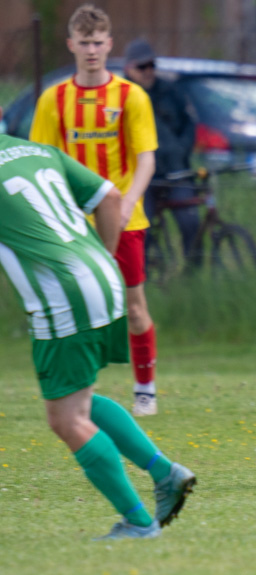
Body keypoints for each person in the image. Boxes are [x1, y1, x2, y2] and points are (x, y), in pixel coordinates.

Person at [0, 108, 195, 539]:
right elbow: (109, 198)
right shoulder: (37, 150)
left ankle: (140, 522)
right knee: (80, 402)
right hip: (104, 275)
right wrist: (104, 256)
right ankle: (165, 474)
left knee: (66, 419)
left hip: (62, 293)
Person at [30, 4, 161, 416]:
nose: (91, 50)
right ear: (71, 45)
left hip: (126, 221)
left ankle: (146, 389)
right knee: (73, 308)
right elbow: (41, 159)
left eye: (98, 42)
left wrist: (126, 204)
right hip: (70, 223)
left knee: (134, 307)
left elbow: (146, 160)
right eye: (83, 42)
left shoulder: (130, 96)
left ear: (110, 45)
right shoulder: (54, 100)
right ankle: (79, 390)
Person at [123, 38, 200, 268]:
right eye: (141, 67)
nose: (148, 72)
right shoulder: (122, 96)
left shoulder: (171, 91)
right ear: (128, 68)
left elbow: (189, 125)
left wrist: (181, 151)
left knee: (190, 221)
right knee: (139, 226)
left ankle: (193, 276)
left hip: (176, 171)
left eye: (151, 66)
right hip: (140, 177)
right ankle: (140, 277)